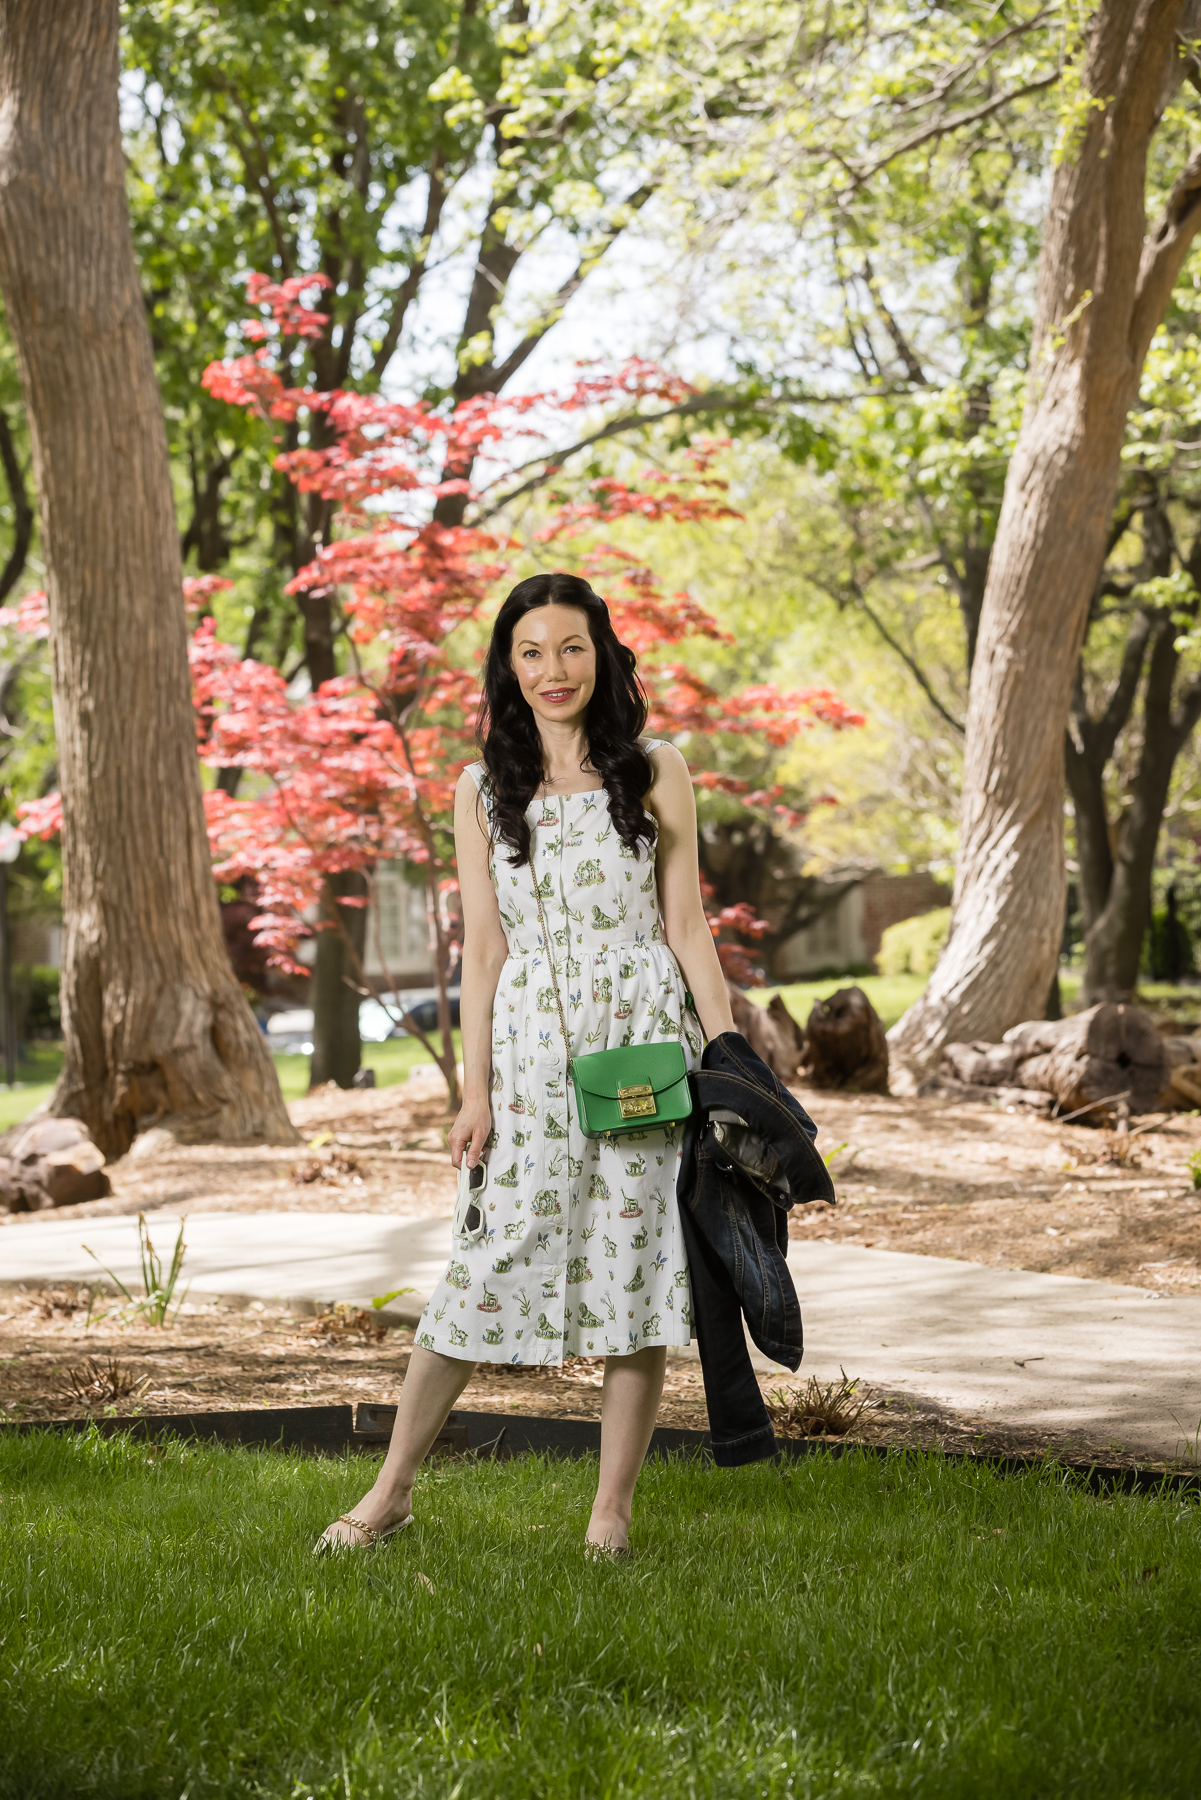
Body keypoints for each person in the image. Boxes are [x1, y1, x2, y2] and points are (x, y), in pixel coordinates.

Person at [316, 571, 735, 1556]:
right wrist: (474, 1091)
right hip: (534, 1056)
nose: (554, 670)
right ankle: (390, 1495)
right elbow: (485, 949)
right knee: (485, 1263)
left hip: (640, 1047)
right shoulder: (481, 786)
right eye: (531, 652)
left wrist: (728, 1059)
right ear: (508, 668)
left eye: (572, 647)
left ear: (604, 653)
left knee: (634, 1272)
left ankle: (610, 1515)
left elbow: (685, 924)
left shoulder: (656, 766)